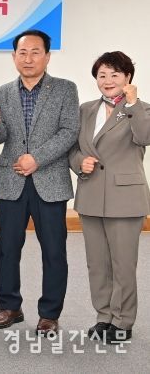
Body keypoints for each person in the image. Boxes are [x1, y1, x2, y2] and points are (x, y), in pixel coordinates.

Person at [0, 29, 79, 335]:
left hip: (50, 180)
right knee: (7, 248)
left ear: (47, 57)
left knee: (54, 250)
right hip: (11, 181)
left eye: (35, 52)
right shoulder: (2, 92)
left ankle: (49, 313)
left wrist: (36, 158)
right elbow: (0, 137)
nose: (28, 58)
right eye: (22, 53)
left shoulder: (65, 89)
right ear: (14, 57)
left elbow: (69, 131)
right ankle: (9, 307)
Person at [69, 51, 150, 343]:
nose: (107, 80)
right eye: (102, 75)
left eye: (115, 74)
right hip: (91, 195)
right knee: (97, 264)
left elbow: (144, 137)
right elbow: (73, 148)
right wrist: (80, 163)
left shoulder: (141, 109)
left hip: (125, 199)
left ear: (128, 77)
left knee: (123, 265)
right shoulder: (85, 110)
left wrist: (132, 103)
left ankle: (123, 321)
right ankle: (103, 317)